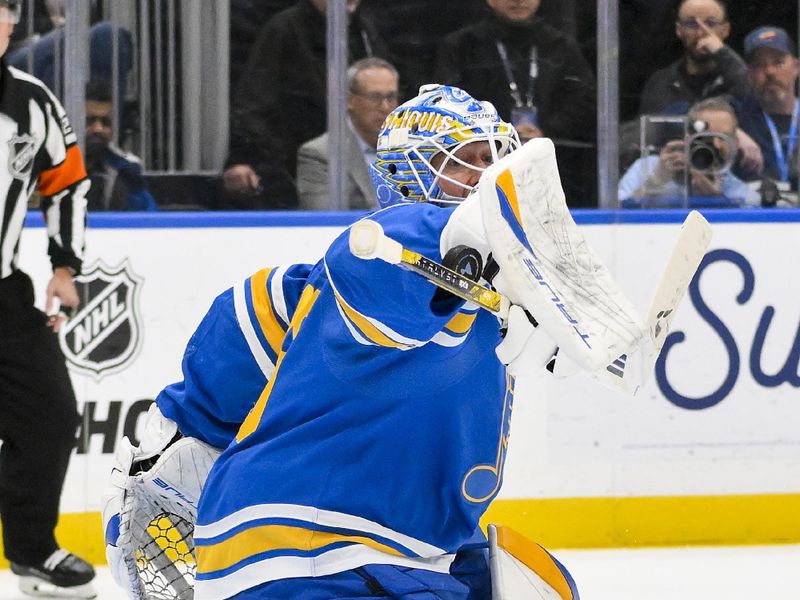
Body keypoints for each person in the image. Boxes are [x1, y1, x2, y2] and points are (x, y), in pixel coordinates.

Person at [105, 85, 583, 599]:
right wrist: (171, 441)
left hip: (403, 547)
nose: (486, 178)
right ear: (409, 174)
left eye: (493, 160)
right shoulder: (376, 261)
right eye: (464, 162)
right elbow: (405, 247)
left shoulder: (497, 297)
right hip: (298, 547)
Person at [0, 1, 95, 597]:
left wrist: (65, 266)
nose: (1, 23)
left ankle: (32, 553)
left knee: (50, 414)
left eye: (5, 13)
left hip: (2, 293)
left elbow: (65, 180)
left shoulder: (31, 101)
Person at [222, 0, 388, 210]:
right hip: (292, 165)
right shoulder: (285, 29)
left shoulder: (363, 29)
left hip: (355, 159)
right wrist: (241, 156)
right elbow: (256, 98)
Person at [433, 0, 597, 206]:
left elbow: (586, 101)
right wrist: (495, 137)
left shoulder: (559, 46)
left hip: (555, 172)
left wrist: (547, 131)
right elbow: (443, 106)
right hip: (478, 174)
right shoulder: (462, 46)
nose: (518, 0)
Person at [297, 57, 399, 210]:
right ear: (349, 100)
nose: (385, 107)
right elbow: (324, 222)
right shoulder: (320, 154)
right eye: (374, 97)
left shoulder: (414, 147)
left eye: (391, 97)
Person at [618, 97, 758, 206]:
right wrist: (654, 183)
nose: (715, 145)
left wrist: (718, 202)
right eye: (706, 138)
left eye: (722, 138)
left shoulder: (741, 194)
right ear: (688, 138)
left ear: (735, 144)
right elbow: (614, 217)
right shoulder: (646, 168)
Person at [638, 0, 748, 116]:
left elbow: (754, 92)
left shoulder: (735, 78)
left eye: (710, 23)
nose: (701, 33)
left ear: (725, 30)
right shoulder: (661, 83)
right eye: (691, 24)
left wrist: (722, 52)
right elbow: (650, 131)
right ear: (679, 30)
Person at [734, 26, 800, 193]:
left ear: (796, 67)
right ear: (749, 75)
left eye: (778, 62)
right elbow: (694, 117)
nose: (770, 71)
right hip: (757, 217)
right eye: (759, 65)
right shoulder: (739, 117)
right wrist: (731, 131)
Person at [84, 81, 158, 211]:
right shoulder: (44, 167)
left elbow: (150, 221)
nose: (98, 129)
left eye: (105, 122)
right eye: (89, 121)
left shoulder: (125, 171)